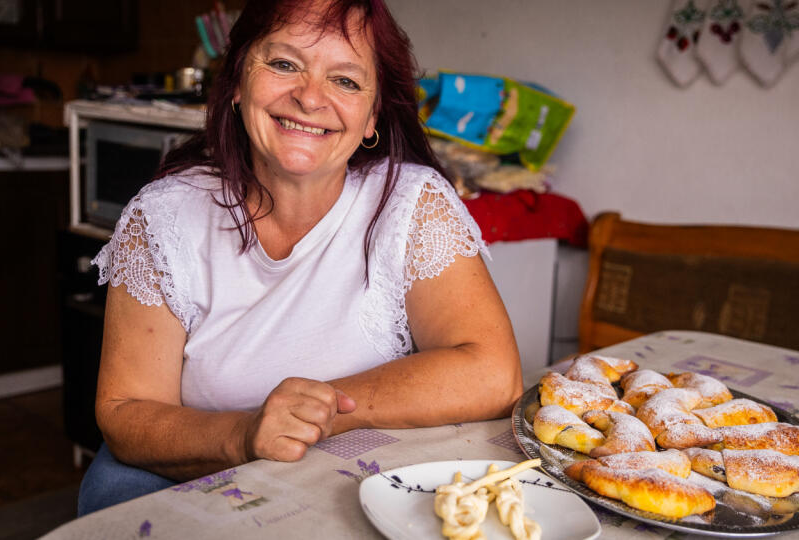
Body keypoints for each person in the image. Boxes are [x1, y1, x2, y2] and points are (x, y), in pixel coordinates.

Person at [77, 0, 523, 516]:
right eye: (284, 64)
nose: (311, 98)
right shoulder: (163, 220)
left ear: (372, 114)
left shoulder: (411, 205)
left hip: (361, 489)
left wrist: (316, 409)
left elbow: (492, 373)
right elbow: (125, 413)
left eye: (346, 81)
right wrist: (246, 434)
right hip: (204, 492)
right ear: (238, 82)